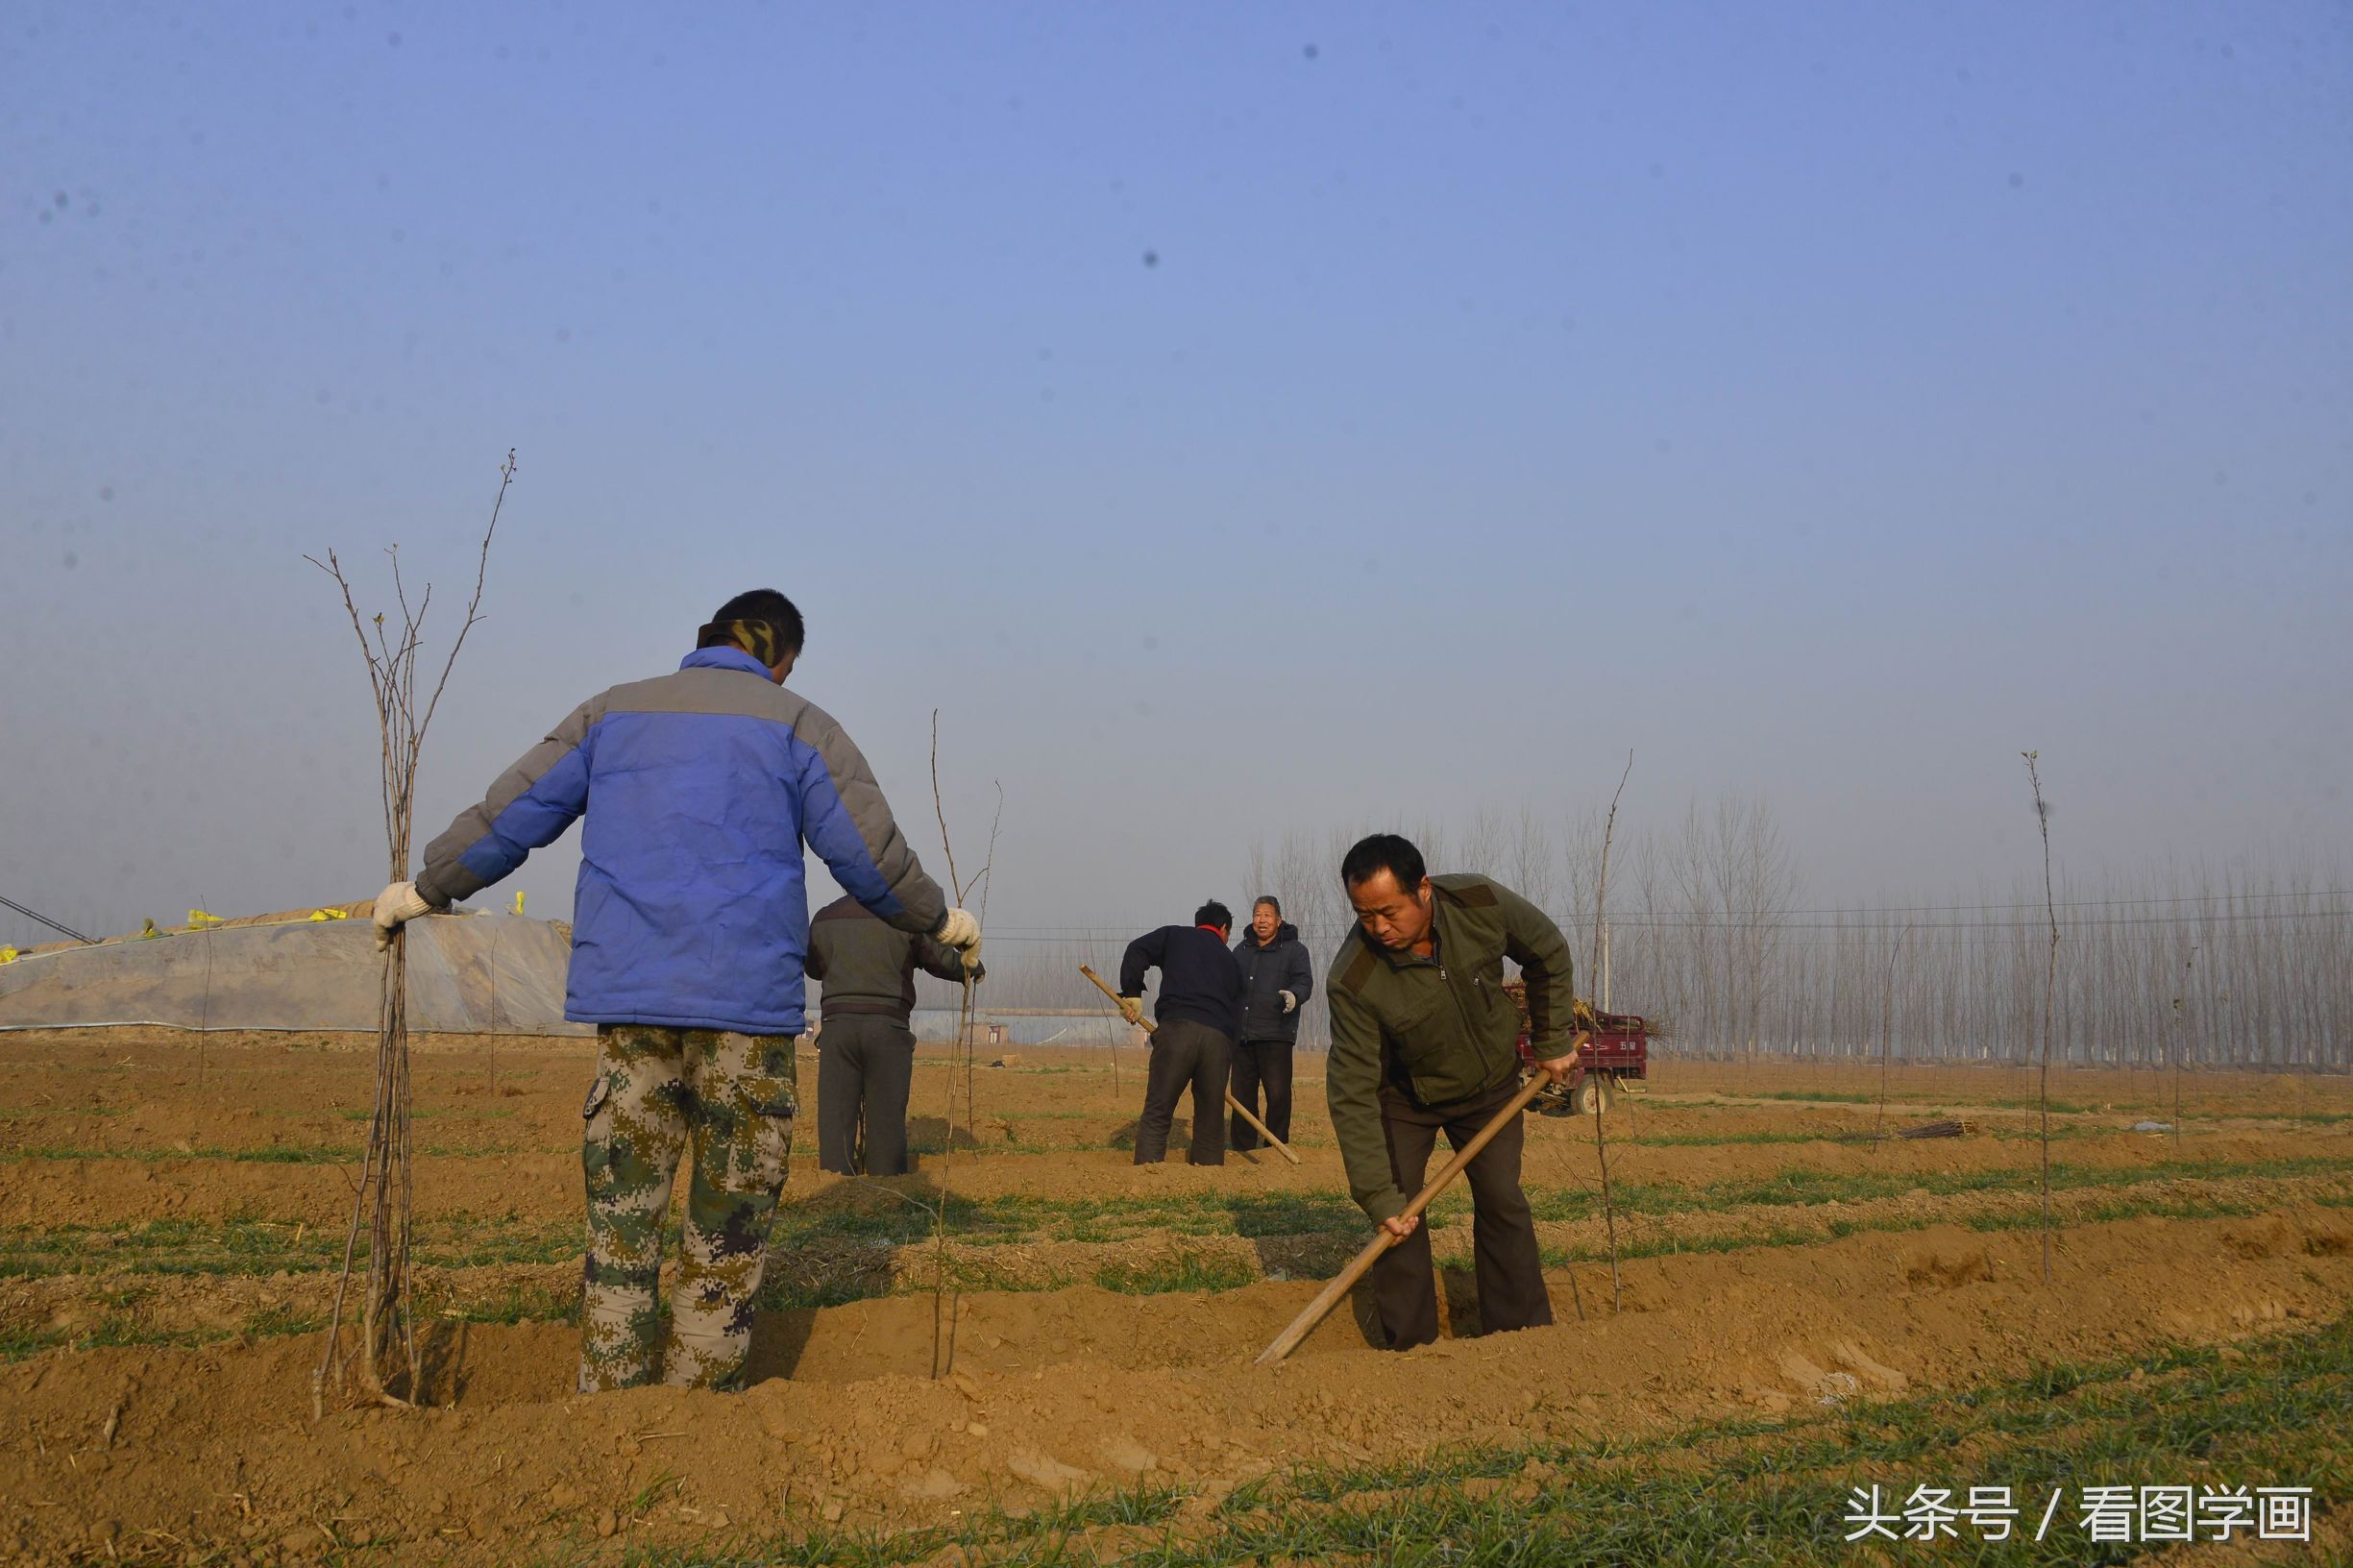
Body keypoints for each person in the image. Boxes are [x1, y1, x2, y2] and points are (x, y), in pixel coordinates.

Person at [370, 589, 980, 1393]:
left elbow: (514, 812)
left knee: (622, 1230)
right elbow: (868, 856)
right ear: (781, 657)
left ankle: (611, 1412)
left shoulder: (610, 713)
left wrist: (429, 887)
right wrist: (939, 920)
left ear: (707, 640)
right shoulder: (799, 724)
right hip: (744, 1021)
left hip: (633, 1016)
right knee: (727, 1233)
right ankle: (697, 1420)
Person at [1324, 832, 1579, 1351]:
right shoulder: (1354, 979)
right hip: (1404, 1101)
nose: (1378, 927)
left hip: (1490, 1088)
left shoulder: (1477, 901)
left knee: (1502, 1200)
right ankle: (1412, 1349)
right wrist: (1377, 1195)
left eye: (1388, 912)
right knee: (1399, 1219)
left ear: (1423, 889)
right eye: (1364, 915)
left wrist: (1552, 1041)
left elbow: (1547, 951)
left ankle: (1520, 1338)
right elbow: (1352, 1090)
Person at [804, 893, 979, 1176]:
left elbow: (812, 966)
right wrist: (970, 967)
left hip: (838, 1029)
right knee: (886, 1118)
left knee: (836, 1117)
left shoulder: (825, 917)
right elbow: (938, 958)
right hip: (888, 1029)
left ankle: (834, 1187)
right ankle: (886, 1188)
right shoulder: (904, 916)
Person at [1116, 901, 1244, 1166]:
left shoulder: (1175, 935)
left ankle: (1148, 1172)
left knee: (1159, 1111)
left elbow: (1137, 949)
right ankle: (1209, 1178)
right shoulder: (1232, 961)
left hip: (1177, 1033)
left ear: (1198, 923)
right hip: (1218, 1040)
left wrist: (1132, 993)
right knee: (1210, 1122)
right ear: (1224, 929)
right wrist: (1226, 1055)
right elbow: (1238, 1013)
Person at [1229, 895, 1312, 1151]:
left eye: (1267, 915)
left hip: (1276, 1034)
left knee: (1277, 1095)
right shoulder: (1241, 951)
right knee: (1242, 1097)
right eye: (1257, 915)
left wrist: (1294, 995)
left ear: (1278, 920)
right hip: (1242, 1036)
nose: (1261, 920)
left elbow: (1304, 981)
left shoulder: (1295, 950)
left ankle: (1275, 1148)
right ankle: (1243, 1147)